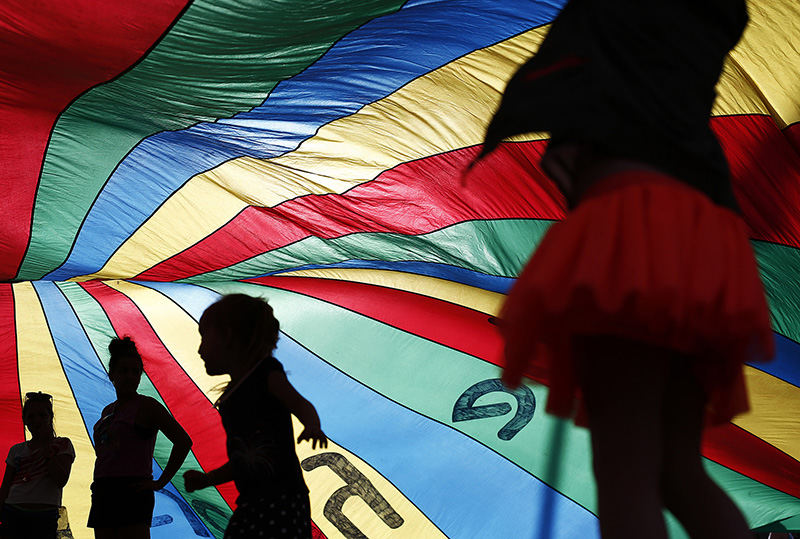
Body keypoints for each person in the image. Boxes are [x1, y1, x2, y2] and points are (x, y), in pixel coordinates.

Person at [473, 1, 774, 538]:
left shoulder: (611, 22)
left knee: (625, 470)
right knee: (676, 472)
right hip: (708, 233)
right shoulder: (705, 25)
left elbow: (562, 147)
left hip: (632, 223)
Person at [183, 293, 327, 539]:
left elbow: (299, 403)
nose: (199, 349)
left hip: (283, 499)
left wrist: (312, 425)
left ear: (228, 336)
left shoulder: (266, 373)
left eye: (204, 337)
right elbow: (243, 461)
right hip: (252, 501)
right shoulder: (231, 399)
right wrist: (207, 480)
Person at [88, 337, 192, 539]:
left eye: (135, 372)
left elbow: (183, 441)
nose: (130, 376)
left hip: (133, 490)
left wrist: (161, 482)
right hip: (103, 490)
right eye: (123, 371)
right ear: (112, 375)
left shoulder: (148, 406)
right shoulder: (107, 412)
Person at [0, 392, 74, 539]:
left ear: (50, 417)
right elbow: (5, 485)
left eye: (42, 415)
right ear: (25, 421)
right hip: (13, 511)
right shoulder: (16, 450)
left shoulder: (63, 444)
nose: (36, 420)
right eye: (31, 416)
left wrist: (47, 449)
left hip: (45, 515)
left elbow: (61, 479)